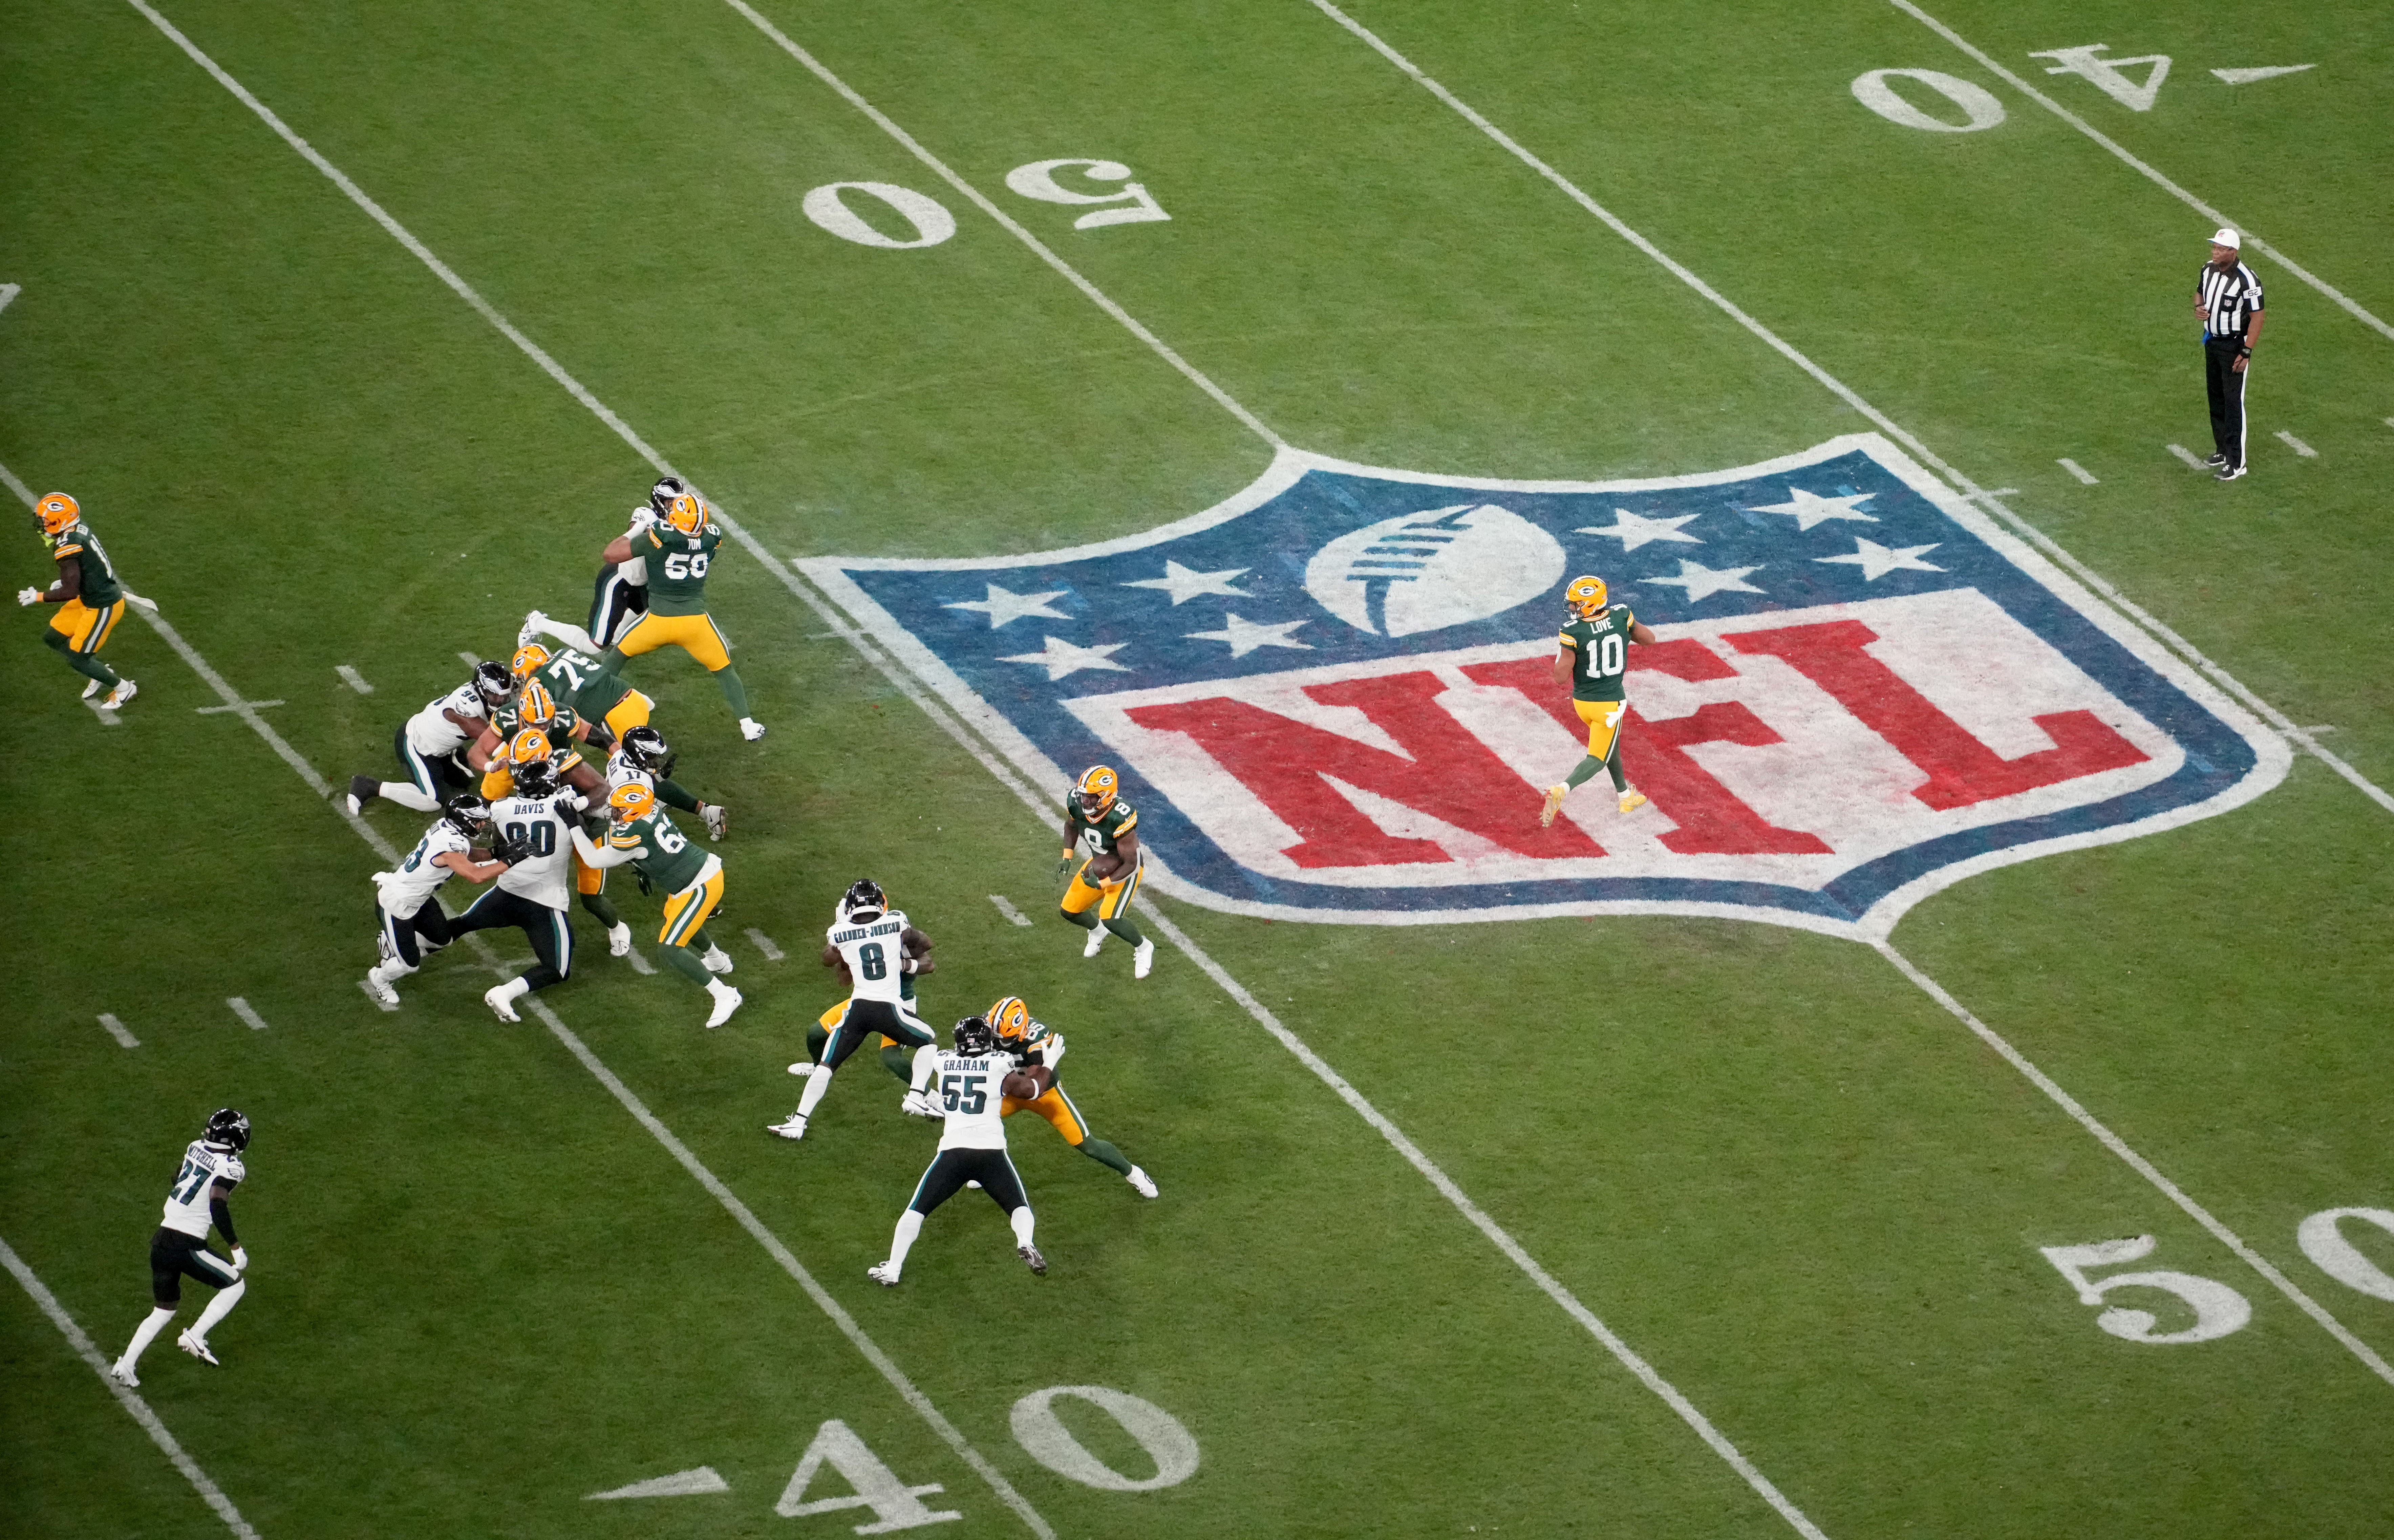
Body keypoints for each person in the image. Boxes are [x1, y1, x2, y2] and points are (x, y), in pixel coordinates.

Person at [868, 1016, 1046, 1285]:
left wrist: (923, 1096)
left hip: (954, 1151)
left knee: (917, 1210)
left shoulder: (943, 1060)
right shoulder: (999, 1063)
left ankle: (893, 1268)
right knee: (1018, 1206)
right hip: (990, 1151)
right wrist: (1049, 1063)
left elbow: (937, 1067)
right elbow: (1031, 1090)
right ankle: (1025, 1241)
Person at [769, 880, 937, 1140]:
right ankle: (915, 1096)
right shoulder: (896, 923)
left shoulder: (839, 933)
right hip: (888, 1008)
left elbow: (829, 958)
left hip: (859, 1009)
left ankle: (798, 1123)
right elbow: (919, 940)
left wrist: (844, 930)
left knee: (826, 1066)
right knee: (928, 1040)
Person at [594, 492, 764, 741]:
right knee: (724, 670)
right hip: (695, 624)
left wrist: (638, 529)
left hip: (657, 622)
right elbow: (694, 544)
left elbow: (611, 554)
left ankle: (590, 708)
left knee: (617, 656)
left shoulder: (658, 538)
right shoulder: (711, 539)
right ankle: (748, 725)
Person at [571, 782, 743, 1026]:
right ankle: (718, 961)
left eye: (620, 809)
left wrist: (573, 825)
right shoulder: (650, 812)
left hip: (700, 884)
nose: (615, 813)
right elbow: (638, 837)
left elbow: (593, 859)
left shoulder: (633, 832)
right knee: (676, 919)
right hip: (695, 877)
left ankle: (725, 995)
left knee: (670, 948)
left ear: (632, 811)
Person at [111, 1109, 252, 1385]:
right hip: (186, 1244)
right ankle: (195, 1335)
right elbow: (218, 1202)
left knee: (163, 1310)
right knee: (235, 1285)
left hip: (162, 1239)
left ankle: (126, 1364)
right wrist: (235, 1247)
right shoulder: (231, 1167)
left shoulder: (195, 1147)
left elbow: (179, 1178)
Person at [447, 736, 582, 1022]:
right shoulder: (563, 804)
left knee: (461, 924)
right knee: (558, 969)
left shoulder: (501, 808)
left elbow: (498, 841)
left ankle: (407, 945)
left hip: (507, 890)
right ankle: (504, 993)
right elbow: (593, 801)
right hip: (545, 900)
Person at [981, 995, 1157, 1197]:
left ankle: (1134, 1174)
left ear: (1021, 1030)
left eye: (1005, 1039)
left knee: (1086, 1144)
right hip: (1009, 1091)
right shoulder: (988, 1026)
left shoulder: (1038, 1037)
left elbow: (1031, 1086)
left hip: (1043, 1094)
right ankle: (983, 1169)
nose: (999, 1042)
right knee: (974, 1123)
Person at [576, 724, 727, 957]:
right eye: (651, 756)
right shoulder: (636, 782)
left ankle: (702, 900)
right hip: (621, 819)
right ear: (638, 754)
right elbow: (635, 820)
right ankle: (702, 900)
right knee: (667, 854)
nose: (655, 760)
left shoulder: (621, 758)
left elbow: (612, 747)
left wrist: (657, 777)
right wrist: (638, 864)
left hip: (618, 812)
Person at [363, 794, 514, 1005]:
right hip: (398, 903)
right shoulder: (450, 846)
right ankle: (379, 979)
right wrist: (512, 859)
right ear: (465, 821)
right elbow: (476, 876)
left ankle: (394, 942)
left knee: (443, 939)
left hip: (420, 897)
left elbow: (466, 854)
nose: (482, 825)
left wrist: (495, 853)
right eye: (478, 821)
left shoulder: (447, 828)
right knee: (409, 965)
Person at [518, 474, 684, 658]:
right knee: (595, 646)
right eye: (672, 503)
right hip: (619, 579)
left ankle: (616, 635)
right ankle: (537, 622)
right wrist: (658, 531)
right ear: (660, 502)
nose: (676, 508)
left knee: (660, 612)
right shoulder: (646, 515)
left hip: (643, 582)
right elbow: (637, 532)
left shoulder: (678, 524)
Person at [1539, 575, 1654, 827]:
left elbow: (1560, 677)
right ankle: (1562, 789)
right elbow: (1649, 640)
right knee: (1597, 758)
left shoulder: (1572, 630)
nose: (1572, 608)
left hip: (1582, 703)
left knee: (1610, 745)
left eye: (1576, 604)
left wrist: (1566, 650)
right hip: (1609, 704)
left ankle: (1625, 796)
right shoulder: (1621, 615)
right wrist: (1625, 631)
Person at [19, 492, 137, 710]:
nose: (42, 523)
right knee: (53, 638)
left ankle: (124, 688)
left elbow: (69, 592)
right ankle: (97, 670)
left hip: (102, 606)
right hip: (89, 598)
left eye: (46, 520)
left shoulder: (67, 545)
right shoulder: (76, 529)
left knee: (78, 659)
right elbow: (89, 563)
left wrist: (38, 596)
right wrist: (68, 580)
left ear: (61, 520)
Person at [347, 661, 512, 815]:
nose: (502, 700)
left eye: (504, 695)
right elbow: (493, 738)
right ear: (483, 690)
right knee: (434, 800)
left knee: (463, 783)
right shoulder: (465, 707)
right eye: (495, 695)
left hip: (445, 747)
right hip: (417, 744)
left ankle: (442, 766)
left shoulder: (493, 694)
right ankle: (369, 786)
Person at [1056, 766, 1155, 980]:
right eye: (1083, 795)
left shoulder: (1120, 816)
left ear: (1106, 796)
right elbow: (1071, 826)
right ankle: (1097, 931)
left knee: (1111, 918)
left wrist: (1102, 884)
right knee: (1069, 911)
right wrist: (1067, 857)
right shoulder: (1076, 802)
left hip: (1125, 869)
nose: (1085, 801)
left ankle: (1143, 947)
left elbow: (1132, 863)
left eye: (1092, 797)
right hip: (1099, 864)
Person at [2195, 228, 2265, 483]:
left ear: (2233, 252)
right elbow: (2199, 291)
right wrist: (2198, 307)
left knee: (2233, 402)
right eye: (2214, 247)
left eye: (2220, 249)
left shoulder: (2247, 279)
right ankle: (2223, 449)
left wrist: (2246, 351)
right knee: (2216, 397)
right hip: (2212, 341)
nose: (2215, 252)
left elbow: (2258, 316)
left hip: (2234, 346)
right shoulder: (2208, 269)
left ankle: (2237, 463)